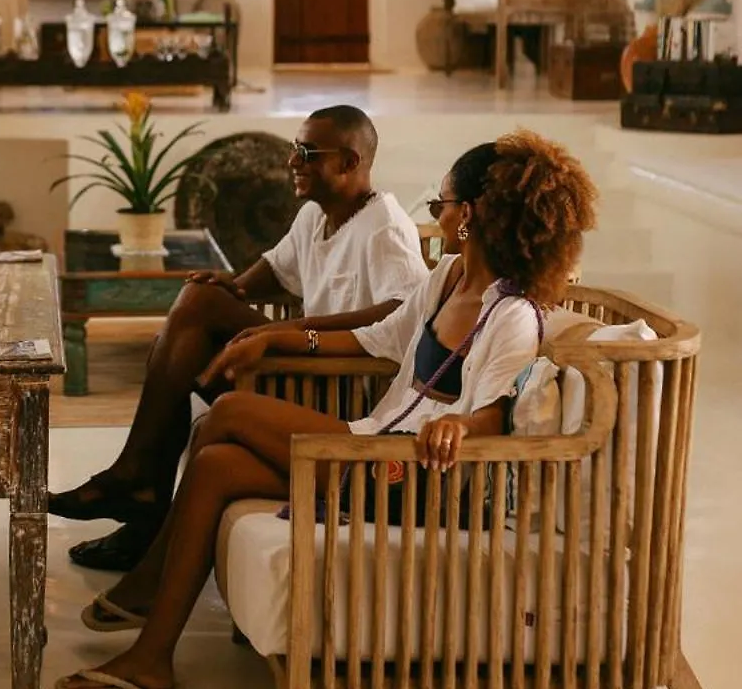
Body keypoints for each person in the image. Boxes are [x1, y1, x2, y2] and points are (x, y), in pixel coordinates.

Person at [53, 130, 598, 689]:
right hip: (373, 445)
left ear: (472, 215)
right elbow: (376, 337)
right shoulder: (447, 279)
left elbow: (495, 412)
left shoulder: (512, 315)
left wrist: (459, 424)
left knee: (230, 411)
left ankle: (148, 578)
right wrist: (278, 336)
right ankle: (151, 659)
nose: (436, 215)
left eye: (442, 204)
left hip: (421, 478)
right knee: (215, 464)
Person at [50, 105, 429, 572]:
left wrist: (288, 330)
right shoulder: (316, 215)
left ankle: (139, 485)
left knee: (198, 311)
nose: (292, 161)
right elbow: (277, 268)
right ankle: (142, 490)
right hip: (304, 370)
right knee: (199, 301)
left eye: (308, 153)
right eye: (295, 148)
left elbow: (405, 313)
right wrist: (235, 287)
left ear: (349, 162)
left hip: (340, 392)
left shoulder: (386, 227)